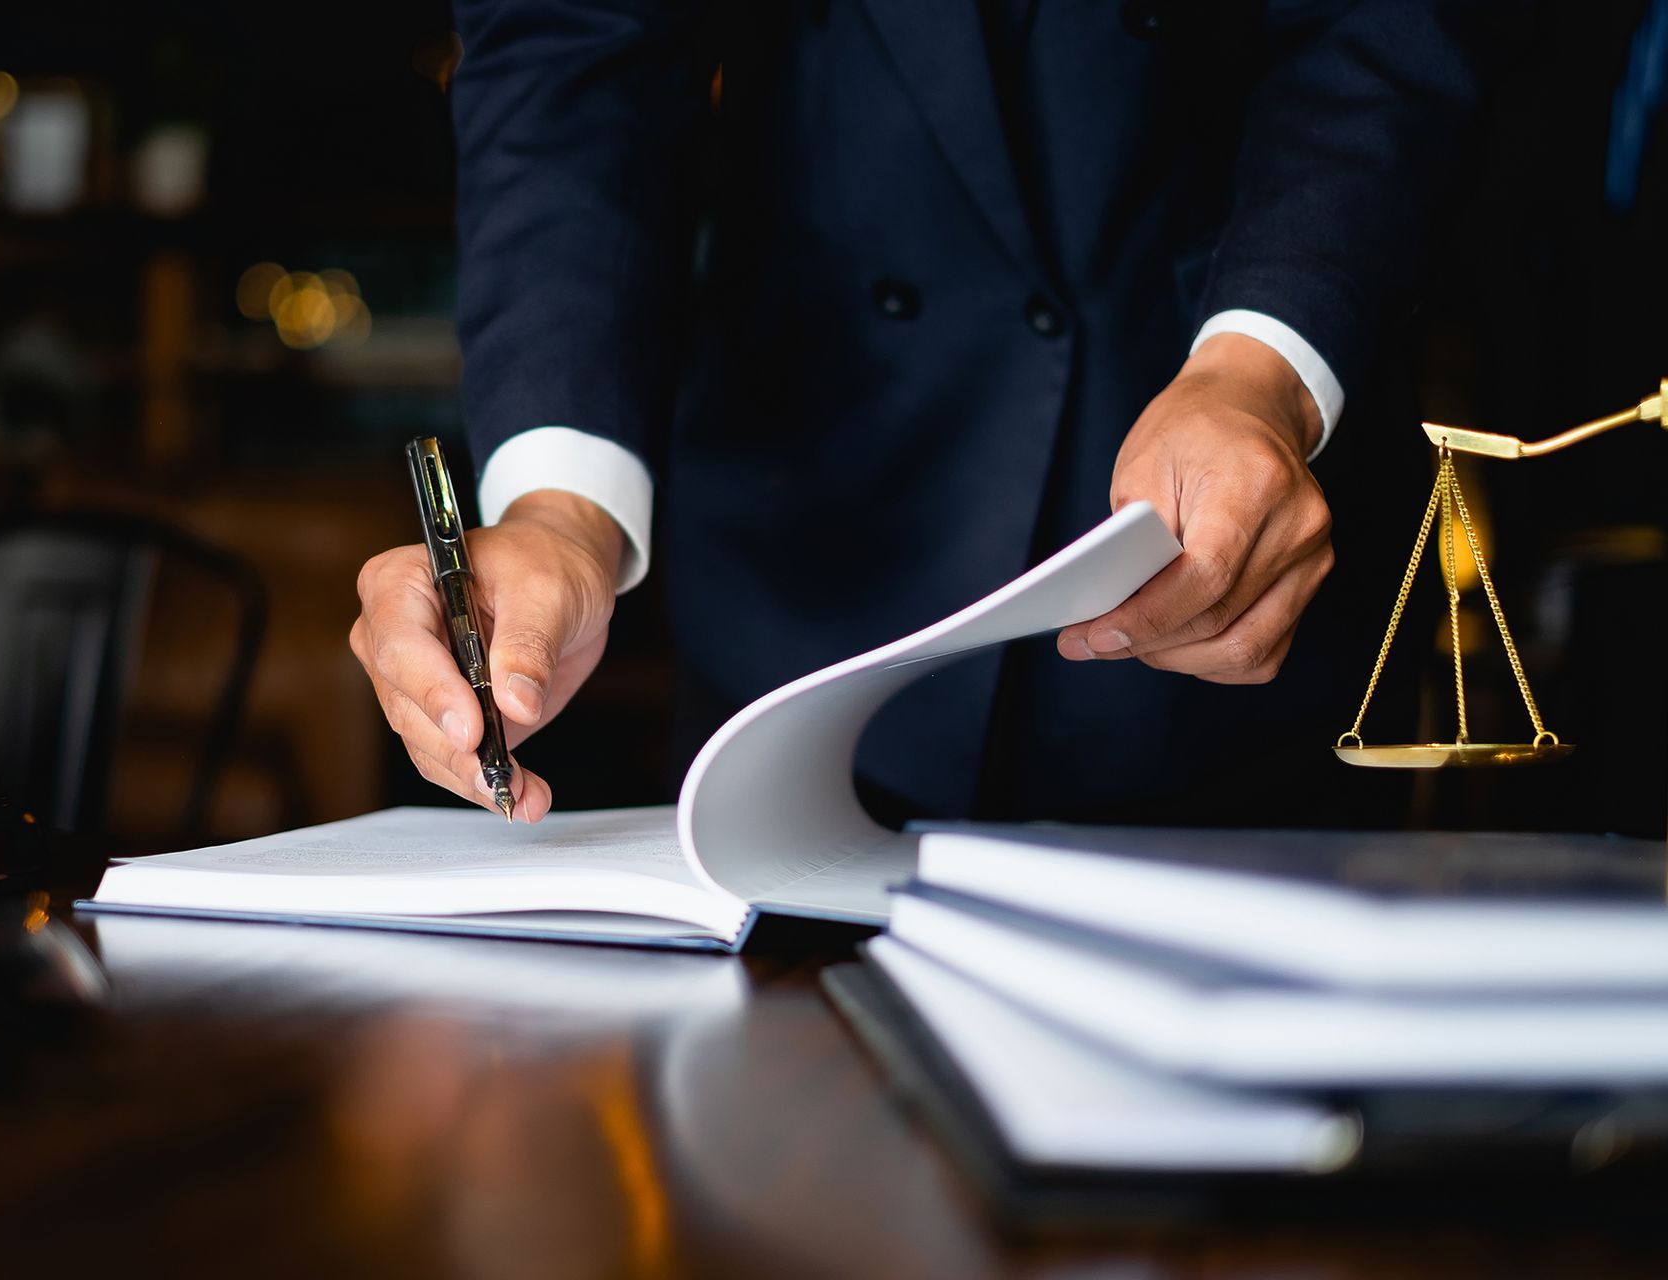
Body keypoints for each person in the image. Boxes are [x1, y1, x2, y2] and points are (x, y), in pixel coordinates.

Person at [352, 0, 1493, 826]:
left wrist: (1261, 371)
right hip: (806, 599)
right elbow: (571, 47)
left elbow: (1374, 32)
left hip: (1231, 578)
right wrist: (559, 510)